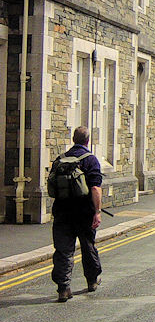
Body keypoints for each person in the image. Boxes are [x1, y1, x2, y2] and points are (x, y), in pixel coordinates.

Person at [51, 126, 103, 302]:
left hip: (62, 212)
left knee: (63, 250)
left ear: (73, 139)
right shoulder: (91, 160)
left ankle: (63, 288)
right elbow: (95, 188)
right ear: (87, 141)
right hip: (84, 213)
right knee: (88, 246)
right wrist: (97, 212)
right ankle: (92, 280)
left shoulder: (60, 159)